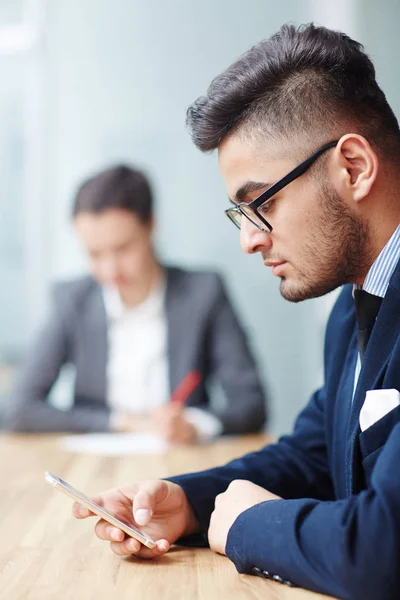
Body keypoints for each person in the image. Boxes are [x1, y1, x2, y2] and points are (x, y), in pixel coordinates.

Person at [72, 23, 400, 599]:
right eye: (240, 214)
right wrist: (190, 502)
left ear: (353, 167)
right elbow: (315, 457)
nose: (249, 240)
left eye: (261, 202)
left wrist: (249, 526)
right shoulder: (352, 312)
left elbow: (384, 548)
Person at [4, 165, 267, 442]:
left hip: (180, 461)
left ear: (151, 225)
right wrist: (121, 423)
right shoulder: (71, 301)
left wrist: (195, 424)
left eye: (123, 248)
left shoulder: (203, 293)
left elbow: (250, 404)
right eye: (94, 254)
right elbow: (21, 409)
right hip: (95, 466)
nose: (110, 269)